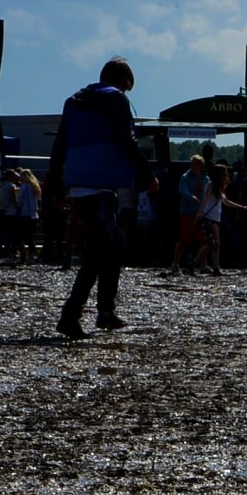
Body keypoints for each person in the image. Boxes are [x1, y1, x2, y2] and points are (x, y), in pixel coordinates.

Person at [47, 56, 149, 339]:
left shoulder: (74, 101)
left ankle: (105, 311)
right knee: (97, 253)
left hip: (79, 185)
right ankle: (71, 315)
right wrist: (147, 175)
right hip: (100, 186)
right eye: (127, 87)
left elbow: (60, 144)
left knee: (113, 245)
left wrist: (54, 187)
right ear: (123, 81)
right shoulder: (116, 99)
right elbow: (128, 140)